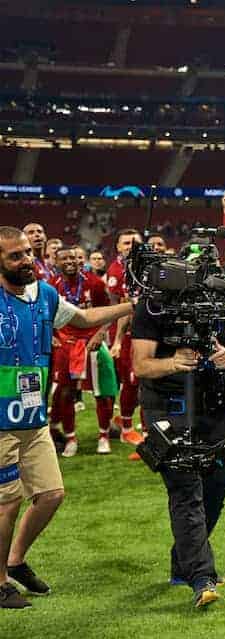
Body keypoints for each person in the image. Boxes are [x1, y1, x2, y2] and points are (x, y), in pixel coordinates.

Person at [0, 226, 134, 610]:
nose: (27, 260)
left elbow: (85, 317)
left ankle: (15, 560)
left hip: (33, 418)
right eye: (15, 256)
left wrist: (130, 306)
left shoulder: (44, 295)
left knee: (52, 494)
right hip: (0, 423)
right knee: (6, 504)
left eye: (27, 253)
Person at [131, 273, 225, 609]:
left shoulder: (223, 303)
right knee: (186, 490)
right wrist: (174, 362)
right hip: (167, 407)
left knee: (216, 488)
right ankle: (202, 579)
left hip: (213, 408)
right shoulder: (153, 307)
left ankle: (182, 563)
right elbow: (140, 365)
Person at [49, 246, 118, 457]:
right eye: (64, 258)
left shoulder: (94, 283)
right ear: (56, 262)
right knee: (66, 394)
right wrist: (51, 335)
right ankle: (70, 438)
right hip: (66, 345)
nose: (70, 261)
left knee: (102, 393)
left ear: (81, 260)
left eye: (73, 257)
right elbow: (45, 315)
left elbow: (109, 312)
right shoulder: (51, 287)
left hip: (93, 343)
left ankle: (104, 436)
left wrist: (100, 334)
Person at [103, 229, 145, 455]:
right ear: (118, 247)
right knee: (132, 381)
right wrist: (117, 340)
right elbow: (117, 308)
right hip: (128, 334)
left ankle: (132, 423)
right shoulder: (116, 270)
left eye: (135, 242)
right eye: (126, 243)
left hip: (147, 332)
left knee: (145, 382)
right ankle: (127, 427)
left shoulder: (146, 267)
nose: (131, 245)